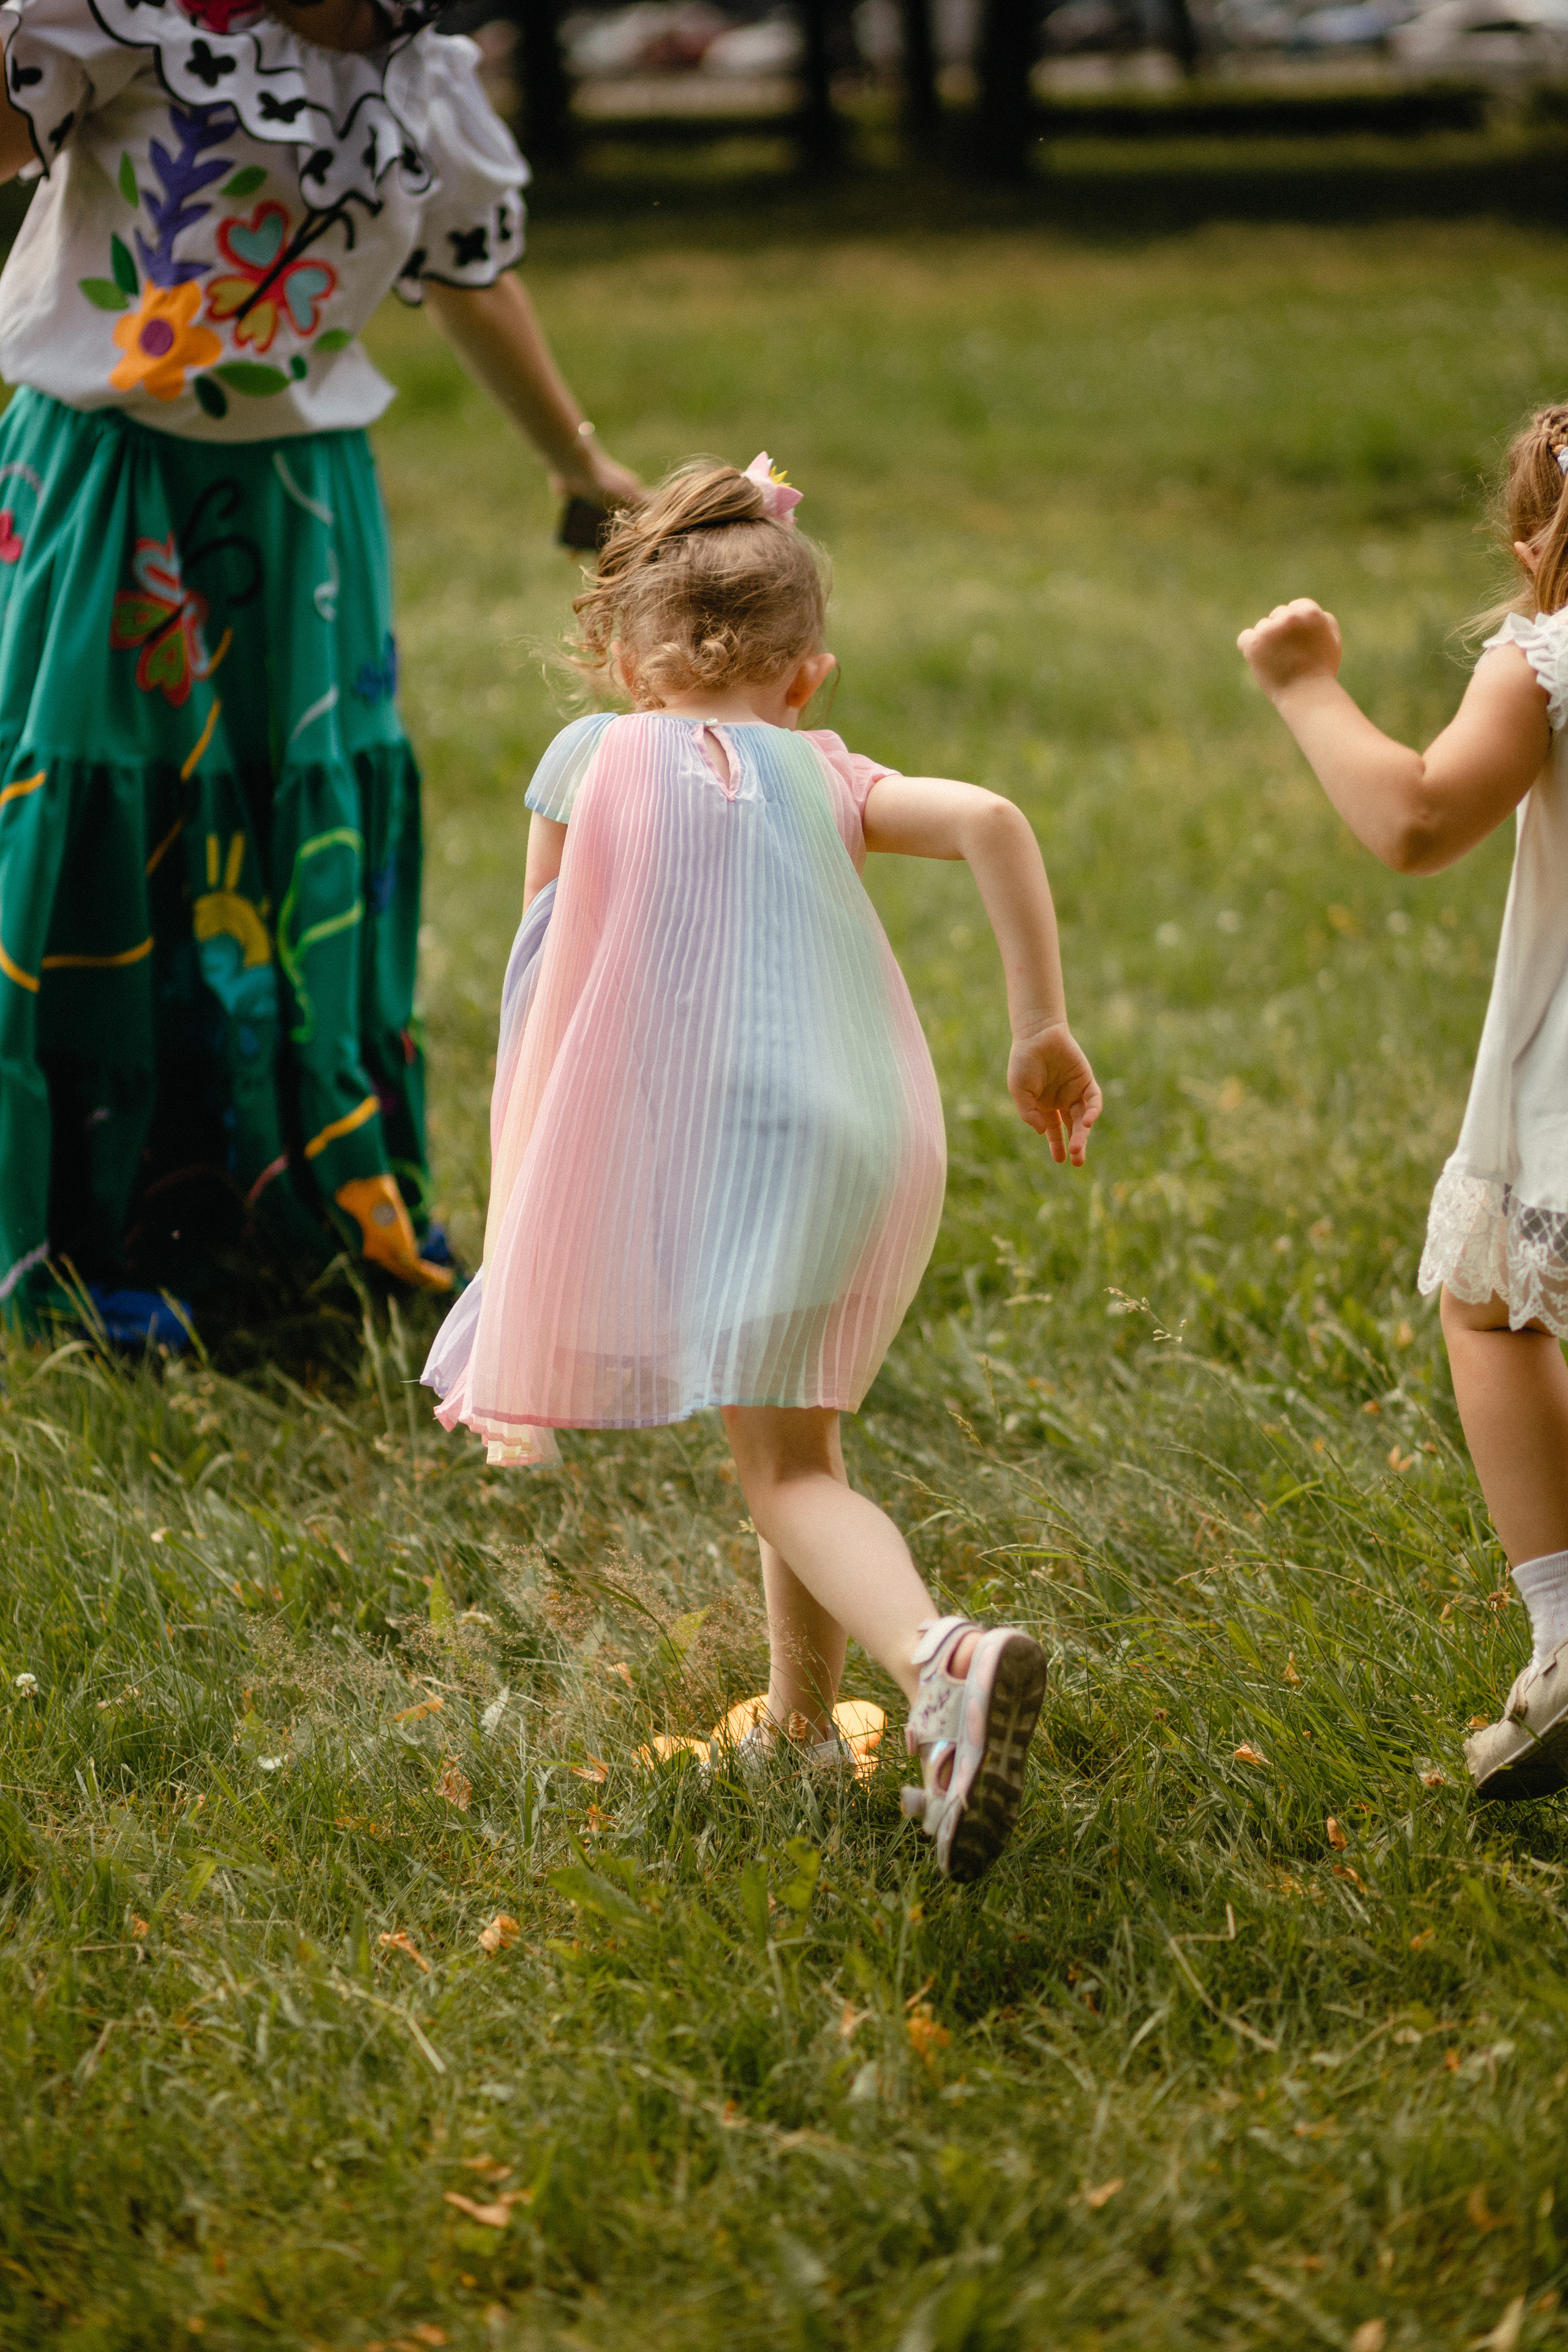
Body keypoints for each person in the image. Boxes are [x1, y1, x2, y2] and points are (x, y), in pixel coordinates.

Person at [423, 454, 1102, 1880]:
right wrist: (1036, 1029)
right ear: (809, 676)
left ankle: (938, 1659)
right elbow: (990, 819)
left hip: (727, 1135)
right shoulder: (829, 768)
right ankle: (800, 1720)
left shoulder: (585, 757)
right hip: (865, 1125)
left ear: (619, 656)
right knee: (796, 1436)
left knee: (782, 1469)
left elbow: (545, 977)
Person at [0, 0, 638, 1336]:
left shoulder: (424, 71)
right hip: (110, 483)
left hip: (302, 513)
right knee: (84, 815)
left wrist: (579, 464)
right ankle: (66, 1220)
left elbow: (469, 272)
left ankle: (282, 1195)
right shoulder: (122, 19)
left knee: (300, 837)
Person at [1239, 399, 1568, 1803]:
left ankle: (1564, 1640)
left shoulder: (1544, 658)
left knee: (1489, 1304)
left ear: (1530, 545)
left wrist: (1306, 685)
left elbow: (1417, 817)